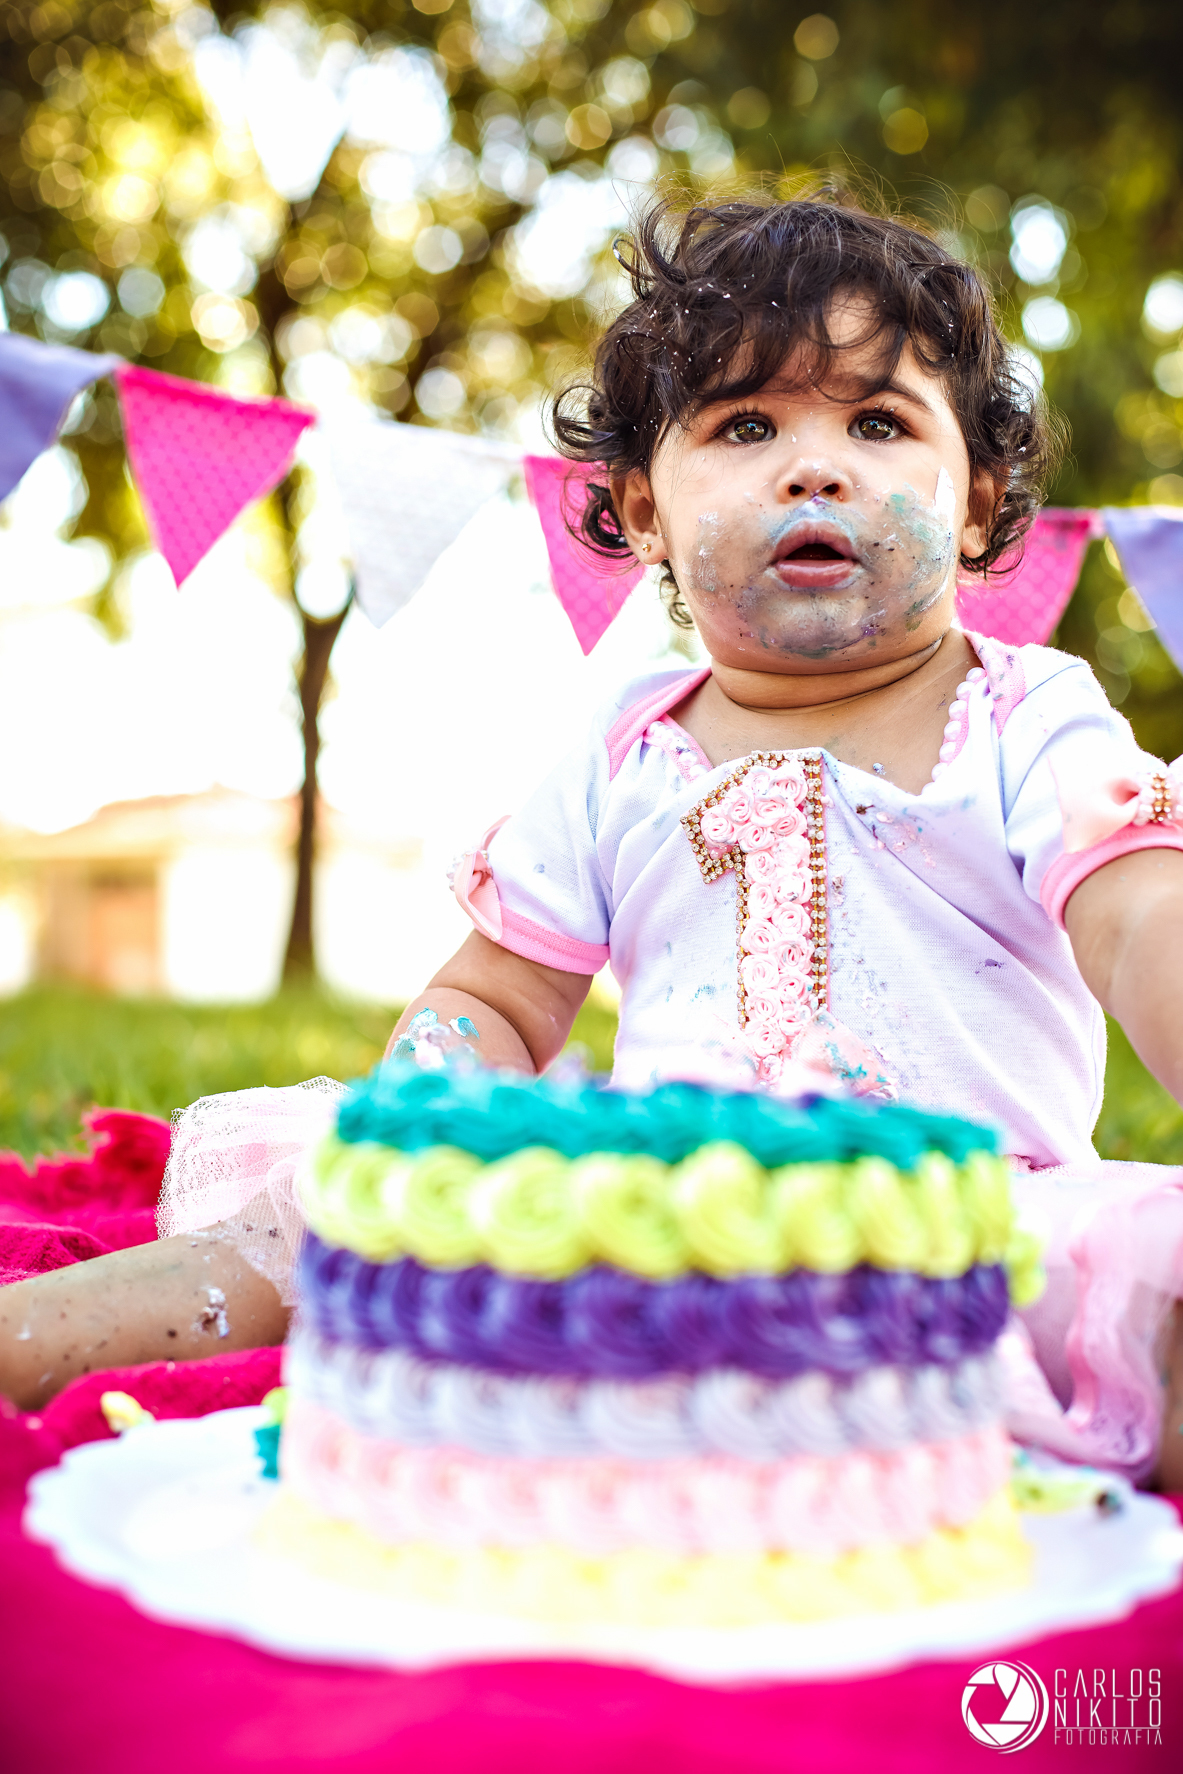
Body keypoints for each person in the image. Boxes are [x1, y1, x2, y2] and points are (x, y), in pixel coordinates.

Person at [3, 195, 1182, 1487]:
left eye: (879, 423)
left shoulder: (1025, 716)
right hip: (644, 1220)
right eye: (746, 423)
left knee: (1138, 1274)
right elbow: (496, 994)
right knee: (345, 1196)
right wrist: (440, 1113)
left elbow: (1137, 921)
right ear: (641, 511)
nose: (814, 463)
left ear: (980, 504)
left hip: (959, 1236)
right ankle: (33, 1337)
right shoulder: (626, 747)